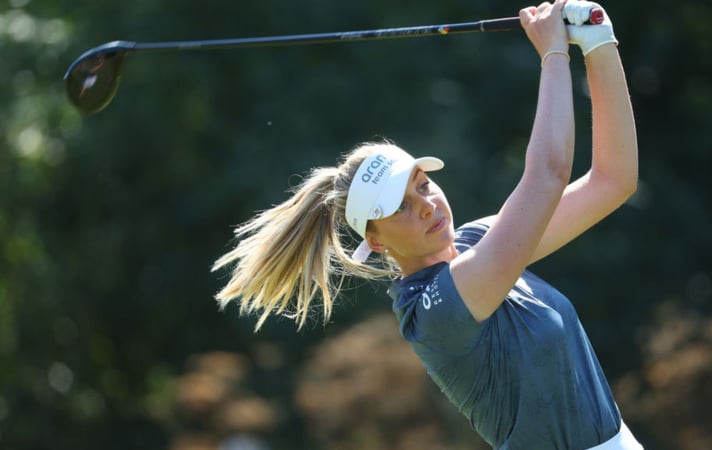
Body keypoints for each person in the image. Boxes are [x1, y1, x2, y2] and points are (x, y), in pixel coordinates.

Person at [212, 1, 642, 448]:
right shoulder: (437, 313)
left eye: (422, 184)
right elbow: (548, 174)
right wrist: (553, 54)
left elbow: (613, 181)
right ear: (374, 242)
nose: (425, 205)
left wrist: (598, 40)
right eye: (399, 206)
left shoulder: (474, 241)